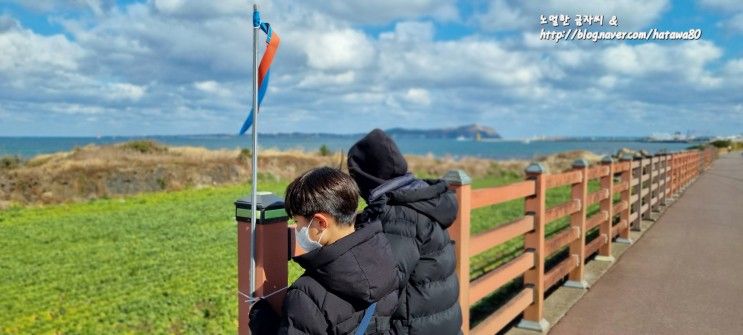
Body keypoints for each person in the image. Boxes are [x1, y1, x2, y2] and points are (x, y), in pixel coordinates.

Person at [249, 167, 399, 334]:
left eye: (298, 222)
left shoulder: (307, 296)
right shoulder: (386, 259)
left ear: (320, 222)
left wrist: (261, 321)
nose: (295, 228)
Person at [348, 129, 462, 335]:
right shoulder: (420, 199)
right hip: (442, 324)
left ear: (365, 177)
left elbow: (378, 285)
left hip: (414, 327)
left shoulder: (398, 217)